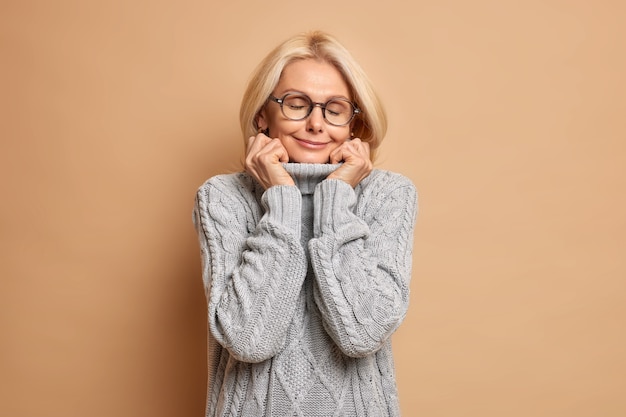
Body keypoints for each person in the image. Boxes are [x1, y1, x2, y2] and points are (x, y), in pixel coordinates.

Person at [193, 30, 418, 417]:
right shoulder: (222, 197)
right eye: (296, 104)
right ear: (263, 115)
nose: (317, 123)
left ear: (354, 123)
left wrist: (334, 200)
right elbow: (249, 339)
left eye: (335, 108)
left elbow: (362, 334)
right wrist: (281, 200)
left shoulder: (389, 194)